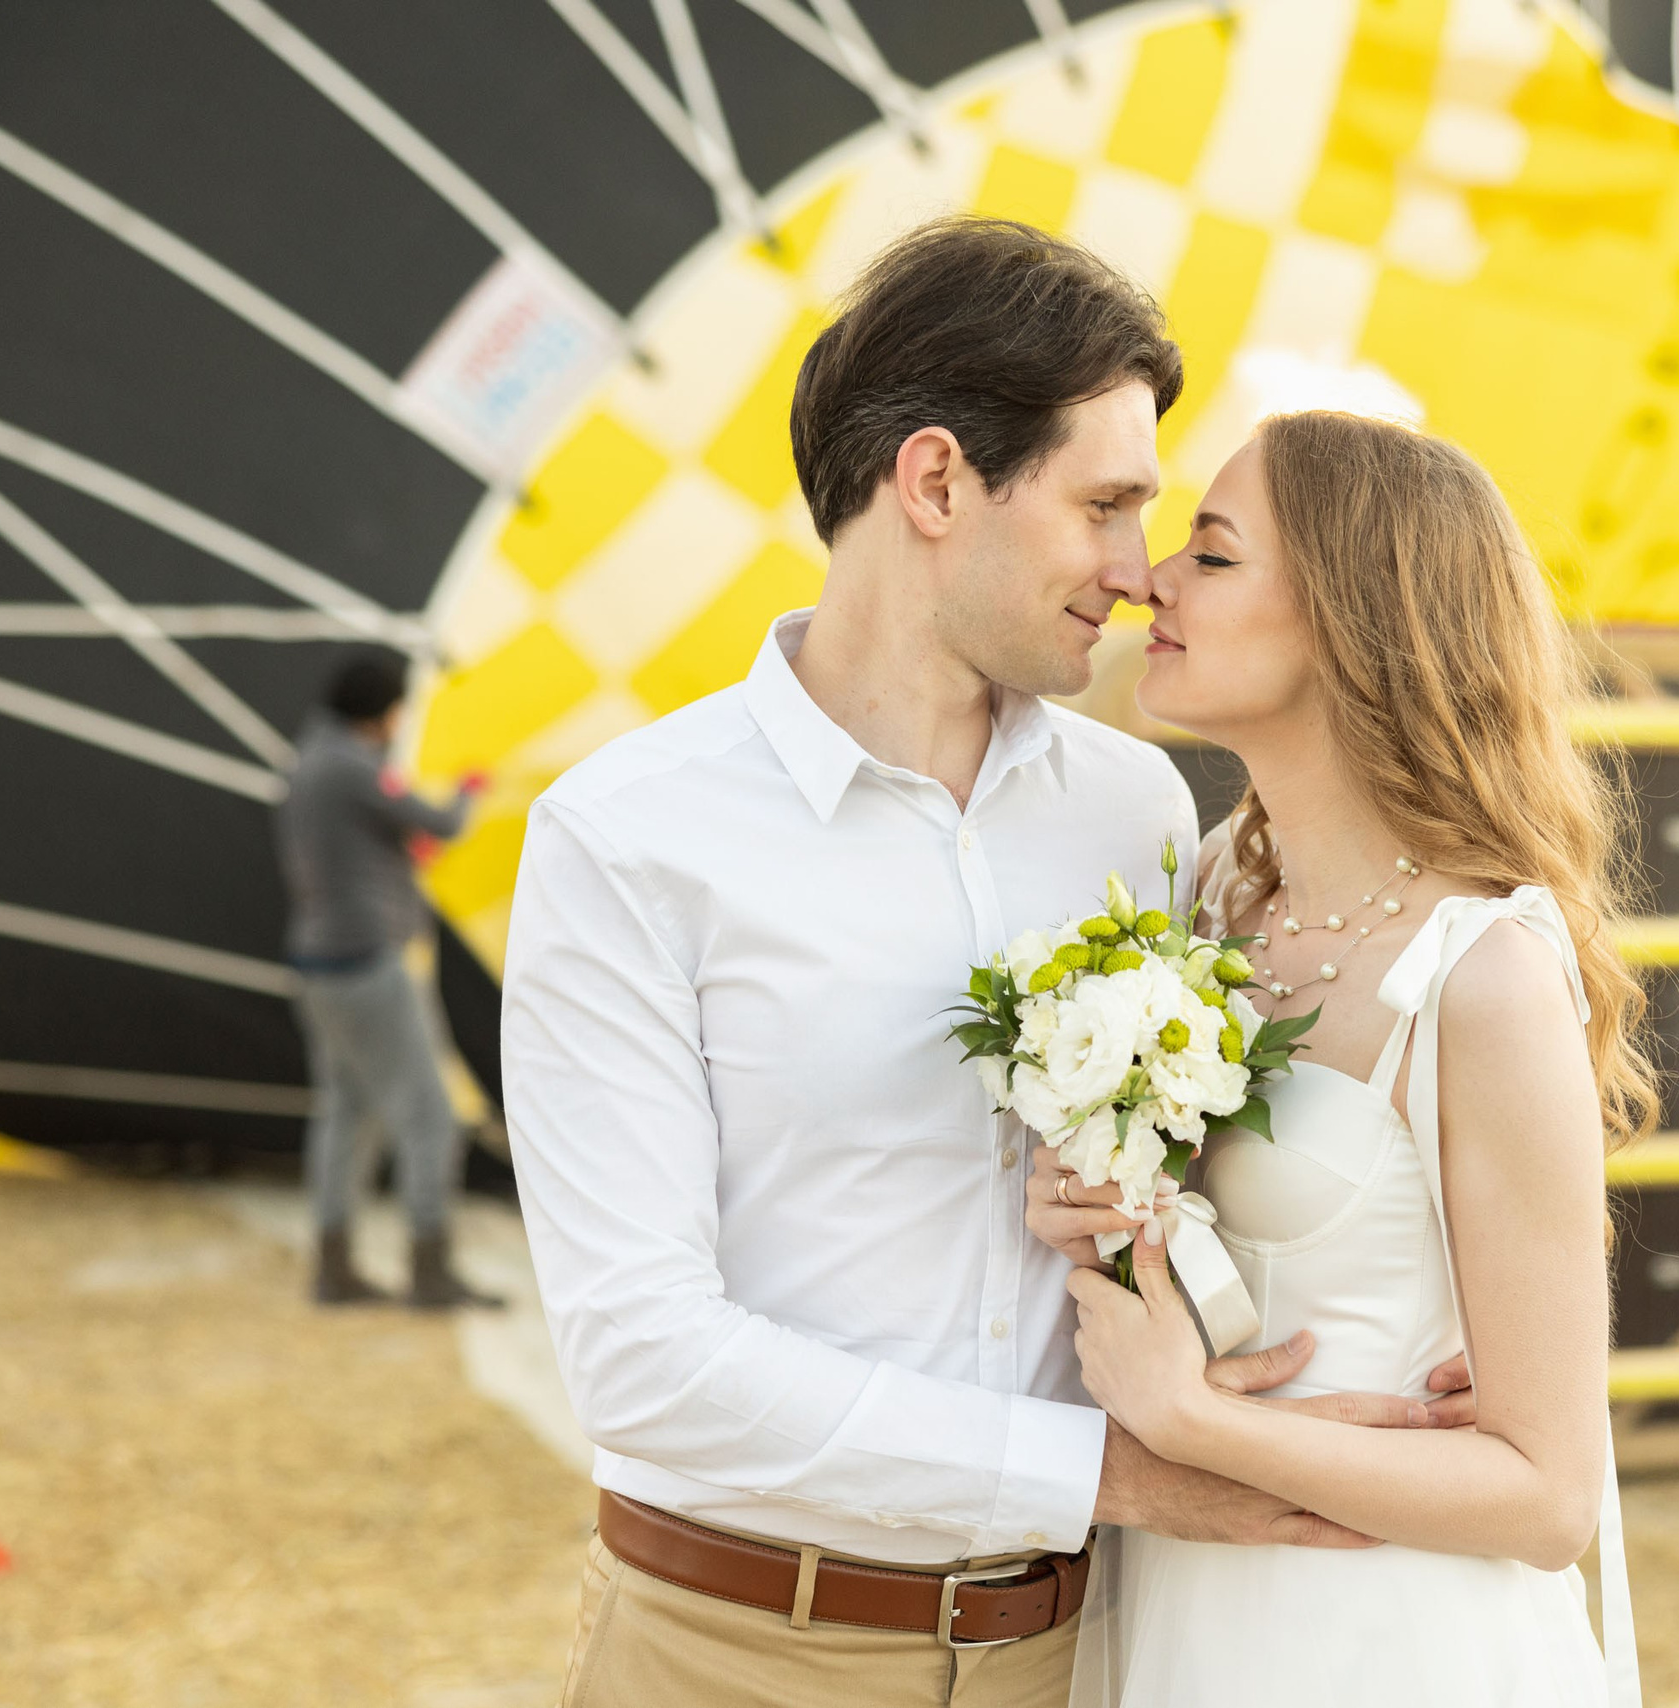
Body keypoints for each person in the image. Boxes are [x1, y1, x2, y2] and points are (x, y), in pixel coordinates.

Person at [501, 220, 1469, 1708]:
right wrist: (1114, 1475)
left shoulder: (1137, 807)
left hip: (1079, 1657)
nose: (1139, 572)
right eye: (1105, 505)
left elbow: (1219, 1152)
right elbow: (644, 1362)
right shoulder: (627, 839)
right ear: (939, 480)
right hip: (732, 1656)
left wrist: (1420, 1334)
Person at [1027, 412, 1657, 1705]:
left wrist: (1196, 1423)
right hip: (1194, 1617)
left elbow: (1551, 1498)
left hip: (1393, 1642)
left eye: (1211, 554)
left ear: (1350, 617)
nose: (1153, 581)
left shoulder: (1483, 978)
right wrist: (1086, 1203)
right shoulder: (1206, 896)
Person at [275, 650, 501, 1311]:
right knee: (431, 1117)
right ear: (381, 712)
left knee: (345, 1113)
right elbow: (442, 825)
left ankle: (333, 1269)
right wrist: (471, 788)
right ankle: (430, 1273)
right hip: (365, 964)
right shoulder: (350, 766)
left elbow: (375, 841)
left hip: (317, 966)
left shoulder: (310, 762)